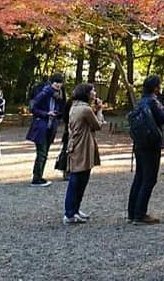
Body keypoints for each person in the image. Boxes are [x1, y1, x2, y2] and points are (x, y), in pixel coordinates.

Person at [127, 74, 164, 225]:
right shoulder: (153, 101)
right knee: (149, 178)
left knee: (139, 177)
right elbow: (163, 119)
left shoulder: (141, 101)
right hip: (151, 144)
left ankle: (132, 212)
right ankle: (140, 214)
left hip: (139, 143)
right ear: (156, 87)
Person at [63, 83, 104, 225]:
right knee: (77, 181)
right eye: (92, 90)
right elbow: (97, 125)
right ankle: (70, 213)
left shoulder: (75, 106)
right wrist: (99, 110)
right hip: (83, 146)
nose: (94, 92)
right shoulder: (85, 109)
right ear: (86, 93)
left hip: (76, 145)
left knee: (79, 179)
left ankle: (74, 210)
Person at [27, 73, 64, 187]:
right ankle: (36, 178)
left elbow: (60, 109)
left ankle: (38, 175)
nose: (58, 85)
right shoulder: (44, 92)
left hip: (50, 127)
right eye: (56, 82)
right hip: (41, 126)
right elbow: (33, 108)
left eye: (60, 82)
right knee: (42, 153)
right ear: (51, 82)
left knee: (45, 153)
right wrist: (46, 114)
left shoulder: (59, 94)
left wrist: (57, 112)